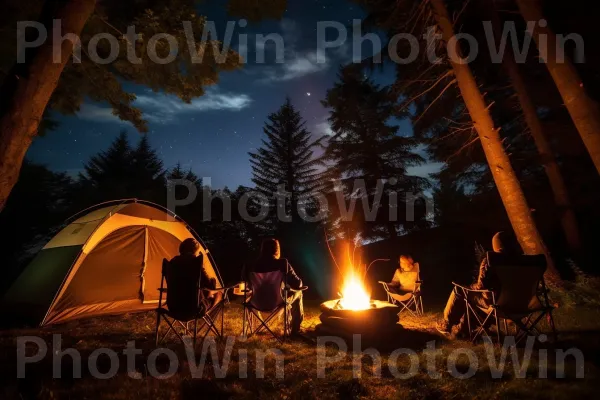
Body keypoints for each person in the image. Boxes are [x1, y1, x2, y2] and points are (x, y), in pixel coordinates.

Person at [436, 231, 519, 337]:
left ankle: (446, 324)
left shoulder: (491, 260)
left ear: (496, 245)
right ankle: (462, 329)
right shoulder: (525, 261)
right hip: (522, 303)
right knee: (475, 300)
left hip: (496, 302)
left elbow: (482, 286)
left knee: (460, 290)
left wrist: (469, 287)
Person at [245, 238, 304, 335]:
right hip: (277, 301)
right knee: (298, 292)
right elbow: (297, 284)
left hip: (256, 302)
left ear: (262, 250)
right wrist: (299, 284)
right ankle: (295, 330)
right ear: (277, 250)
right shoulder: (282, 263)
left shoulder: (251, 265)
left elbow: (245, 283)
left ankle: (252, 329)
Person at [166, 238, 220, 319]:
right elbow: (209, 286)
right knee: (219, 293)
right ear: (195, 251)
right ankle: (207, 320)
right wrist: (213, 280)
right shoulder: (195, 262)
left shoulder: (171, 263)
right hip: (193, 309)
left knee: (204, 293)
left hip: (173, 309)